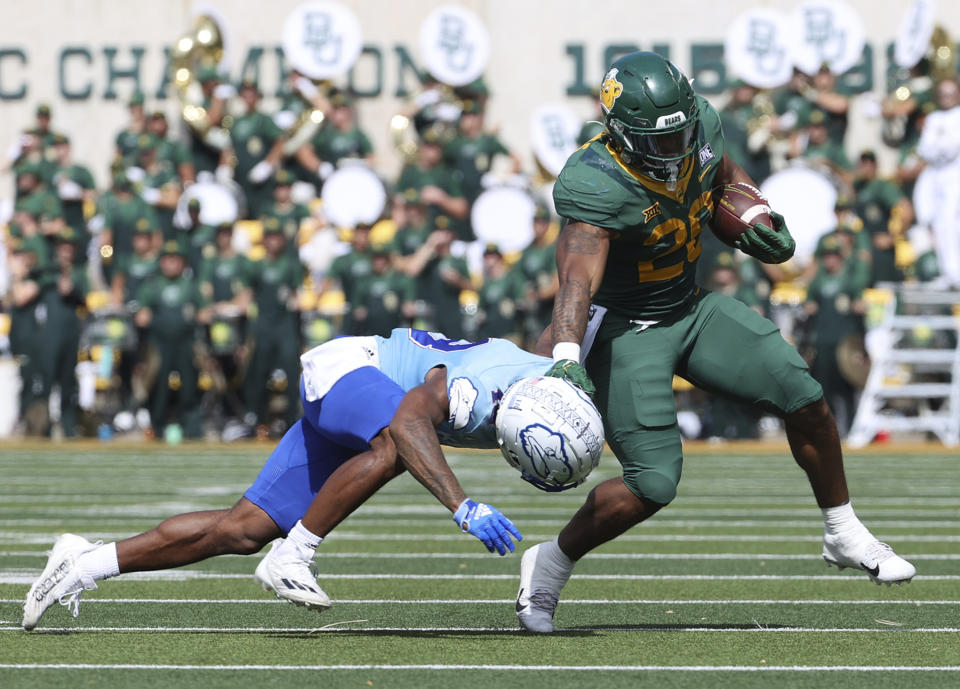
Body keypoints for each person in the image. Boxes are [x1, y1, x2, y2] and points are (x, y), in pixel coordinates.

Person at [510, 52, 915, 633]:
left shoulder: (697, 123)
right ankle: (548, 564)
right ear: (619, 135)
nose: (676, 151)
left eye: (682, 134)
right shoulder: (595, 179)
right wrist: (567, 357)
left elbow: (723, 171)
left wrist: (756, 211)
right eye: (660, 141)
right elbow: (577, 277)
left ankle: (843, 532)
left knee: (805, 397)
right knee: (653, 482)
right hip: (629, 328)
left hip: (689, 307)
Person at [22, 328, 601, 628]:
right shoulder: (475, 399)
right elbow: (406, 422)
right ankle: (295, 555)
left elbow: (559, 332)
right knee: (398, 443)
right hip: (350, 369)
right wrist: (462, 505)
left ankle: (83, 562)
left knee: (241, 530)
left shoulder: (558, 381)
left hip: (361, 392)